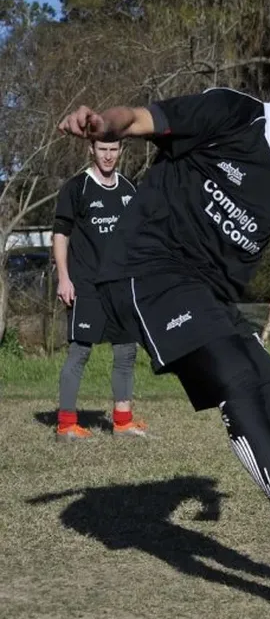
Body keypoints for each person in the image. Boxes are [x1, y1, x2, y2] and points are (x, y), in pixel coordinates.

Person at [57, 52, 270, 602]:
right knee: (237, 378)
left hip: (210, 297)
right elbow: (140, 120)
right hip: (148, 269)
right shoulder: (231, 114)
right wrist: (104, 123)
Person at [52, 140, 144, 441]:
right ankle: (66, 425)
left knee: (126, 350)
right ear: (91, 149)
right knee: (79, 352)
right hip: (86, 285)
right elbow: (60, 235)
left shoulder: (129, 189)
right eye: (102, 149)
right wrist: (64, 278)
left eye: (113, 149)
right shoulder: (76, 187)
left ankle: (123, 422)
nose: (108, 155)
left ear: (121, 151)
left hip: (120, 286)